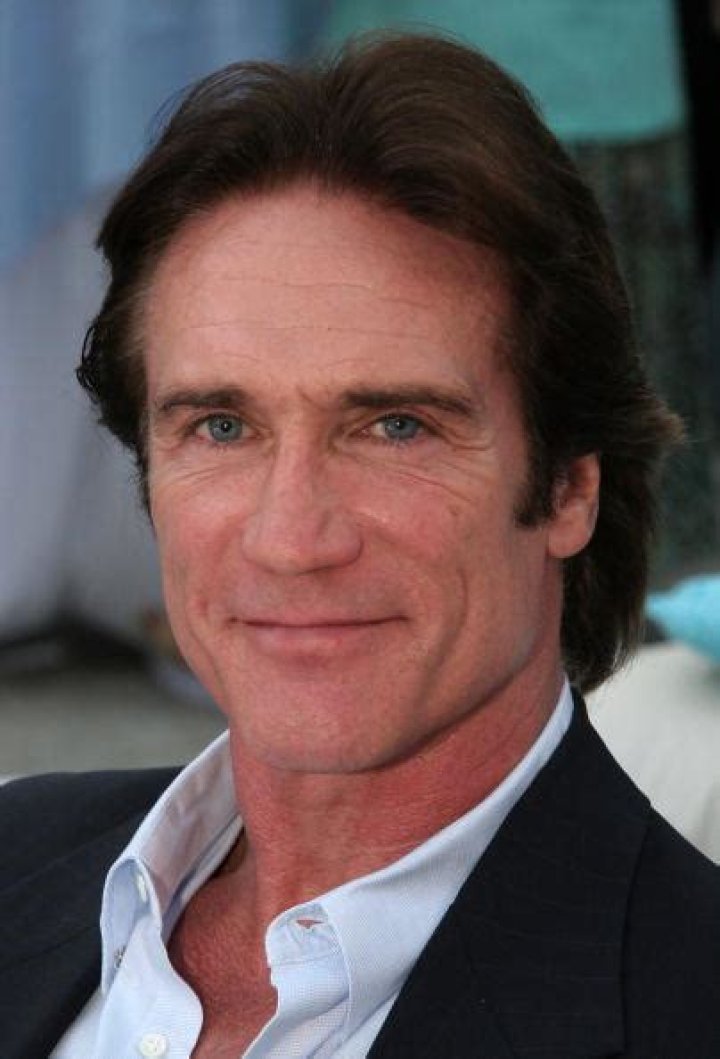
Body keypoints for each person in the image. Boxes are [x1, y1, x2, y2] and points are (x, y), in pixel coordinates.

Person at [1, 32, 719, 1059]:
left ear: (569, 485)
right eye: (221, 426)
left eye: (396, 427)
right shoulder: (18, 856)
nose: (292, 538)